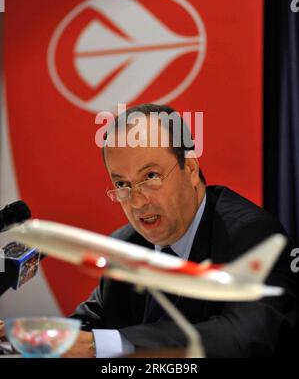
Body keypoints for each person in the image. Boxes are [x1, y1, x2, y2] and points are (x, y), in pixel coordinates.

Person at [1, 104, 298, 357]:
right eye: (121, 184)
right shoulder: (126, 243)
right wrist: (26, 341)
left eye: (151, 176)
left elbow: (245, 335)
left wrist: (98, 347)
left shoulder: (251, 234)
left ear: (191, 169)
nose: (137, 200)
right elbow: (89, 326)